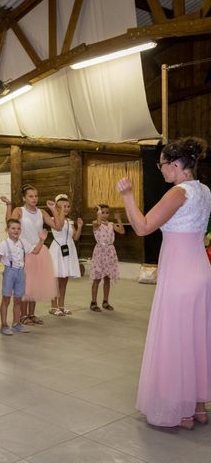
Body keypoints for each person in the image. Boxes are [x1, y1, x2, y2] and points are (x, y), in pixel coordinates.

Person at [117, 137, 211, 429]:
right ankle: (198, 406)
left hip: (179, 277)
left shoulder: (178, 193)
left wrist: (128, 196)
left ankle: (182, 412)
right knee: (196, 337)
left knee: (178, 340)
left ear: (175, 165)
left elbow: (143, 227)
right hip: (200, 272)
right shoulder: (205, 190)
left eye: (162, 165)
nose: (161, 171)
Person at [1, 185, 62, 324]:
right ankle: (22, 316)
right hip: (24, 251)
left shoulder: (41, 212)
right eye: (31, 196)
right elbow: (9, 222)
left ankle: (31, 314)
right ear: (24, 198)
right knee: (25, 285)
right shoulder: (20, 211)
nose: (34, 199)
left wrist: (54, 210)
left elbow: (57, 226)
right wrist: (9, 205)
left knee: (35, 284)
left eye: (36, 196)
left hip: (39, 251)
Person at [0, 219, 47, 335]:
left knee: (18, 299)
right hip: (9, 272)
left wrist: (42, 240)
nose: (16, 230)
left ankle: (16, 323)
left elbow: (36, 251)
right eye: (13, 228)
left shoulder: (23, 242)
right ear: (7, 230)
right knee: (6, 299)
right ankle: (4, 325)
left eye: (18, 228)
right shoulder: (4, 243)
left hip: (21, 273)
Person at [48, 194, 83, 316]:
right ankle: (53, 306)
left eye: (68, 206)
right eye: (63, 206)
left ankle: (61, 305)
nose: (66, 209)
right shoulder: (53, 220)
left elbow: (75, 237)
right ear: (57, 208)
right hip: (57, 250)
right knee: (56, 279)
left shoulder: (70, 222)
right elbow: (59, 226)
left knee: (64, 278)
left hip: (68, 249)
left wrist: (79, 227)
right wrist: (60, 212)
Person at [90, 204, 125, 311]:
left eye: (107, 212)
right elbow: (98, 223)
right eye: (102, 212)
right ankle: (93, 302)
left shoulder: (111, 224)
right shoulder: (95, 223)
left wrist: (118, 219)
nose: (105, 215)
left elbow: (122, 231)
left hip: (109, 251)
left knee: (107, 278)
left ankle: (105, 301)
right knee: (97, 277)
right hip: (100, 251)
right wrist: (98, 214)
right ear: (98, 213)